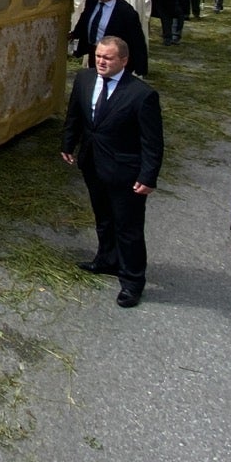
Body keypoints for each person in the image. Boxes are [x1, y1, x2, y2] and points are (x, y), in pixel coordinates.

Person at [60, 36, 164, 307]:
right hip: (93, 164)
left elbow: (152, 142)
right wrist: (68, 143)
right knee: (103, 218)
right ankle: (107, 259)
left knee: (128, 228)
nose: (101, 61)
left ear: (124, 61)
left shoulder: (142, 95)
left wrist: (148, 176)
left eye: (108, 58)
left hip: (126, 173)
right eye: (98, 56)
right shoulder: (84, 79)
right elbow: (75, 115)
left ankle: (132, 281)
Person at [70, 0, 149, 76]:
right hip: (94, 51)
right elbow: (85, 19)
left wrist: (140, 67)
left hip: (113, 57)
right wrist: (75, 34)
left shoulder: (126, 12)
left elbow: (137, 40)